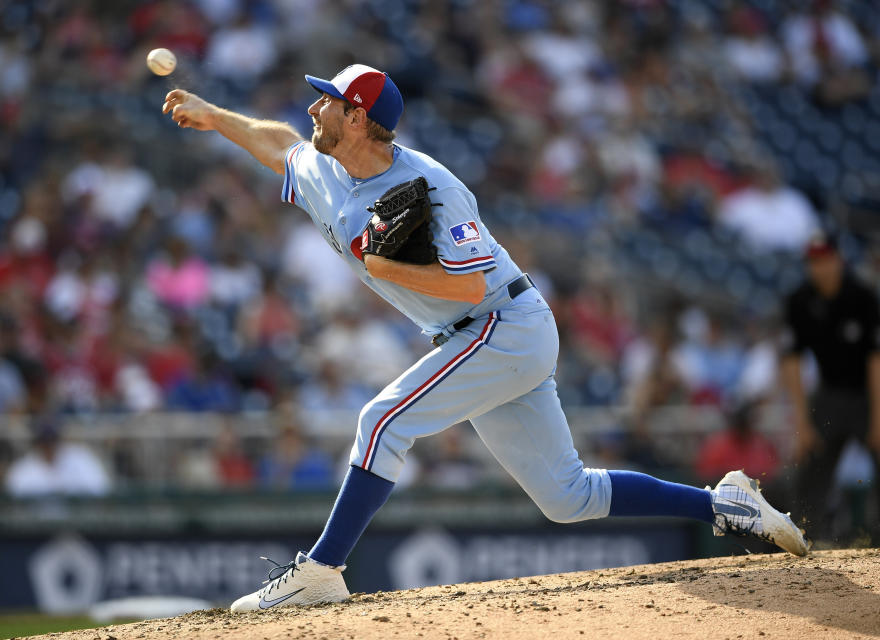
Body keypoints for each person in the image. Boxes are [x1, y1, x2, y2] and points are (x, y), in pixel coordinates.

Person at [162, 64, 810, 612]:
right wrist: (212, 115)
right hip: (475, 337)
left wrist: (388, 266)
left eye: (326, 101)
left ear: (357, 118)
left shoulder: (433, 187)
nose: (313, 108)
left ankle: (321, 570)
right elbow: (278, 143)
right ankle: (722, 504)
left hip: (506, 325)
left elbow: (471, 287)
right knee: (569, 498)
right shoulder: (325, 166)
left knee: (382, 420)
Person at [781, 232, 880, 543]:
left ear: (838, 259)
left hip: (868, 394)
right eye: (813, 261)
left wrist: (878, 418)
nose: (820, 267)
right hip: (829, 393)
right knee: (809, 468)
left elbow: (875, 361)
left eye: (825, 259)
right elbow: (791, 361)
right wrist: (802, 421)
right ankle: (806, 539)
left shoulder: (862, 296)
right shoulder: (800, 300)